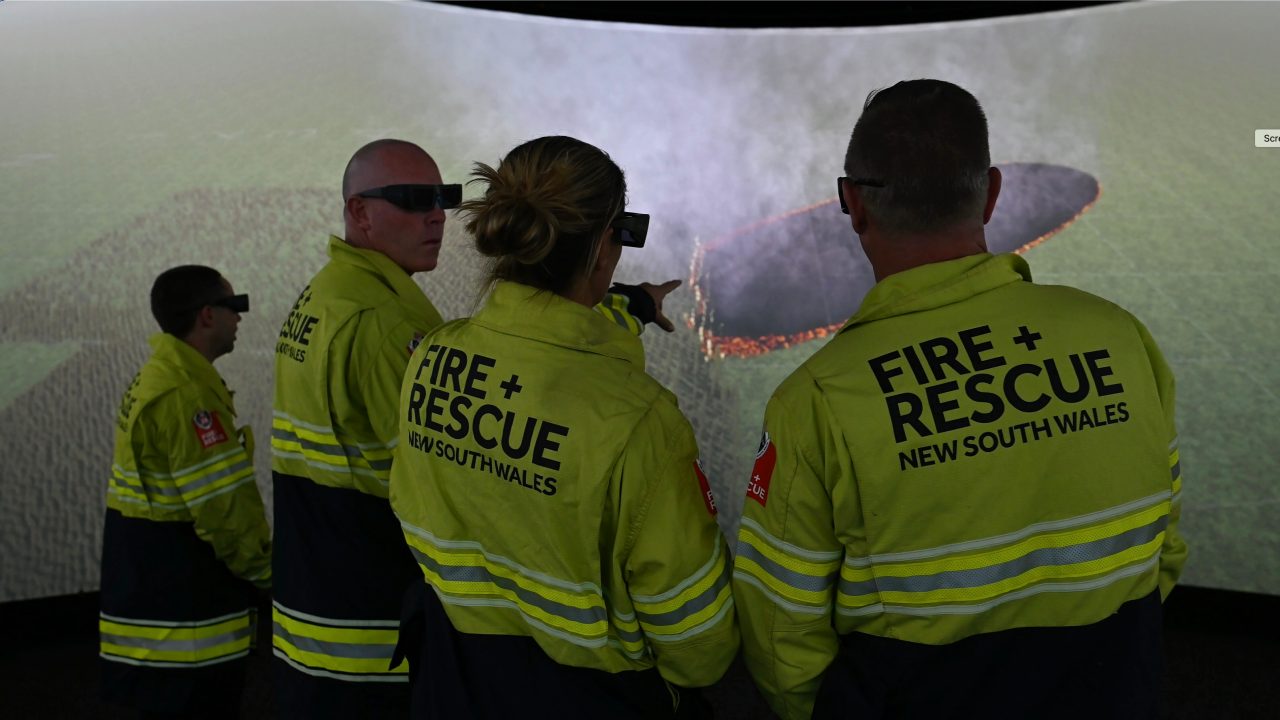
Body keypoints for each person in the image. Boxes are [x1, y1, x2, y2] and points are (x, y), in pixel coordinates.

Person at [732, 79, 1187, 720]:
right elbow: (1164, 544)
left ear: (853, 203)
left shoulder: (816, 400)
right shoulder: (1120, 336)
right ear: (992, 193)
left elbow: (781, 631)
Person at [389, 135, 739, 718]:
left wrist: (631, 307)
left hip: (449, 679)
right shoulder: (640, 422)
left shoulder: (432, 355)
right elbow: (698, 646)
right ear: (604, 249)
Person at [269, 139, 451, 716]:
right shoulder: (384, 321)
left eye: (444, 198)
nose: (437, 215)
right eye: (412, 199)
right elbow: (439, 483)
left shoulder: (326, 293)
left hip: (315, 599)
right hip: (376, 620)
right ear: (359, 212)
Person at [101, 265, 271, 719]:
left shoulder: (160, 376)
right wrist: (270, 573)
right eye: (235, 307)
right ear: (208, 316)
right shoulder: (186, 395)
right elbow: (224, 512)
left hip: (151, 607)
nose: (240, 318)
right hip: (184, 629)